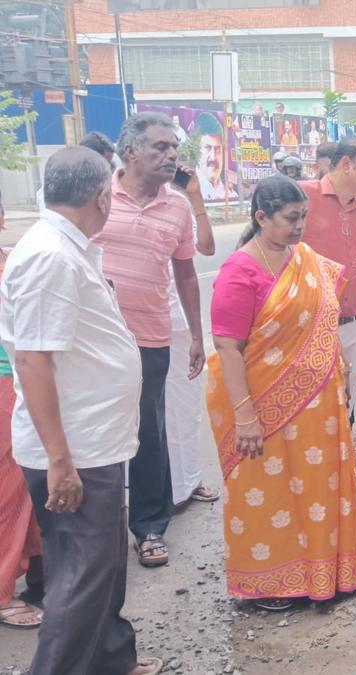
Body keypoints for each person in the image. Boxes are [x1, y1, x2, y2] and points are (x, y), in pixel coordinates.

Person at [1, 146, 163, 675]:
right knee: (80, 575)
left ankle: (112, 661)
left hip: (95, 440)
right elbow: (31, 360)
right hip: (73, 449)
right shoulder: (50, 255)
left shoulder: (69, 247)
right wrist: (60, 461)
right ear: (100, 195)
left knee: (103, 565)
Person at [206, 174, 356, 611]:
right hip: (262, 403)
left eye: (303, 216)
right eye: (291, 218)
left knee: (320, 487)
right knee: (271, 490)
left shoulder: (305, 260)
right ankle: (272, 583)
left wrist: (340, 376)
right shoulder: (240, 270)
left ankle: (331, 571)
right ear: (261, 217)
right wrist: (246, 415)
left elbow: (324, 324)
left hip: (317, 406)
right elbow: (229, 348)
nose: (300, 226)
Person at [93, 112, 206, 568]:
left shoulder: (177, 205)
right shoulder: (98, 195)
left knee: (148, 434)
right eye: (160, 146)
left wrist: (198, 333)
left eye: (174, 147)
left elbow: (186, 273)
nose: (171, 155)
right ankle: (98, 531)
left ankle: (149, 527)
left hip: (152, 335)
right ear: (131, 151)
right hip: (96, 340)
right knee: (96, 434)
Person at [299, 136, 356, 420]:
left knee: (345, 410)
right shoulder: (302, 198)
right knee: (311, 413)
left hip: (354, 326)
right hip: (308, 328)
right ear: (347, 164)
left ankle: (342, 464)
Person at [0, 189, 44, 630]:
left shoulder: (14, 258)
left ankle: (30, 567)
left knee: (24, 485)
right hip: (6, 384)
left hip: (16, 380)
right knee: (10, 489)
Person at [165, 166, 219, 507]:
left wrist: (195, 196)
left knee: (184, 407)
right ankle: (154, 490)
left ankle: (187, 481)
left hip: (178, 321)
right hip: (134, 324)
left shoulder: (177, 205)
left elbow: (208, 247)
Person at [37, 132, 115, 211]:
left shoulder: (100, 185)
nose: (109, 169)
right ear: (90, 160)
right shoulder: (63, 185)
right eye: (106, 164)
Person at [195, 112, 234, 201]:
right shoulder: (188, 190)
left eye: (217, 150)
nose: (213, 157)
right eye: (207, 148)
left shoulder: (231, 195)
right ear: (197, 149)